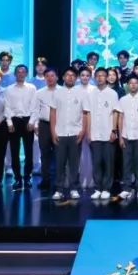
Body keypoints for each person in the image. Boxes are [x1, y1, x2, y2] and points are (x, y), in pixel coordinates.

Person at [50, 67, 87, 201]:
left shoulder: (82, 93)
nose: (70, 77)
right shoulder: (57, 92)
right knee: (59, 163)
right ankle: (59, 189)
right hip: (60, 132)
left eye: (73, 75)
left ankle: (73, 188)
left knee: (74, 163)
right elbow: (53, 113)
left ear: (76, 78)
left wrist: (83, 131)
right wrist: (53, 132)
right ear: (63, 77)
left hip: (75, 133)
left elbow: (85, 113)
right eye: (67, 75)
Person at [87, 68, 120, 200]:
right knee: (96, 162)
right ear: (94, 77)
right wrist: (88, 132)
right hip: (94, 132)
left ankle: (106, 188)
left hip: (108, 132)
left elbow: (116, 113)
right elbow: (88, 113)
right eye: (98, 76)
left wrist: (114, 130)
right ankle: (97, 188)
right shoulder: (90, 93)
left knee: (108, 162)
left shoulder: (113, 94)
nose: (100, 78)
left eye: (103, 76)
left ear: (106, 78)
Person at [3, 64, 36, 190]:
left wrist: (32, 121)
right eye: (18, 72)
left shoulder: (32, 88)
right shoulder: (9, 89)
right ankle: (17, 178)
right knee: (14, 151)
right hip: (14, 120)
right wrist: (9, 123)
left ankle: (27, 177)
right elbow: (6, 107)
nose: (21, 74)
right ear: (15, 74)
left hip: (28, 120)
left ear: (26, 74)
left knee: (29, 151)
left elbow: (34, 106)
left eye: (23, 72)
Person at [33, 68, 59, 193]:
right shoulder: (39, 93)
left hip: (59, 125)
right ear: (44, 78)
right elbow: (35, 109)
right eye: (47, 76)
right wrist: (35, 124)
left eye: (52, 75)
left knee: (59, 153)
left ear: (57, 77)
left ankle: (59, 180)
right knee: (44, 153)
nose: (50, 78)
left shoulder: (62, 91)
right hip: (44, 125)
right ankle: (45, 180)